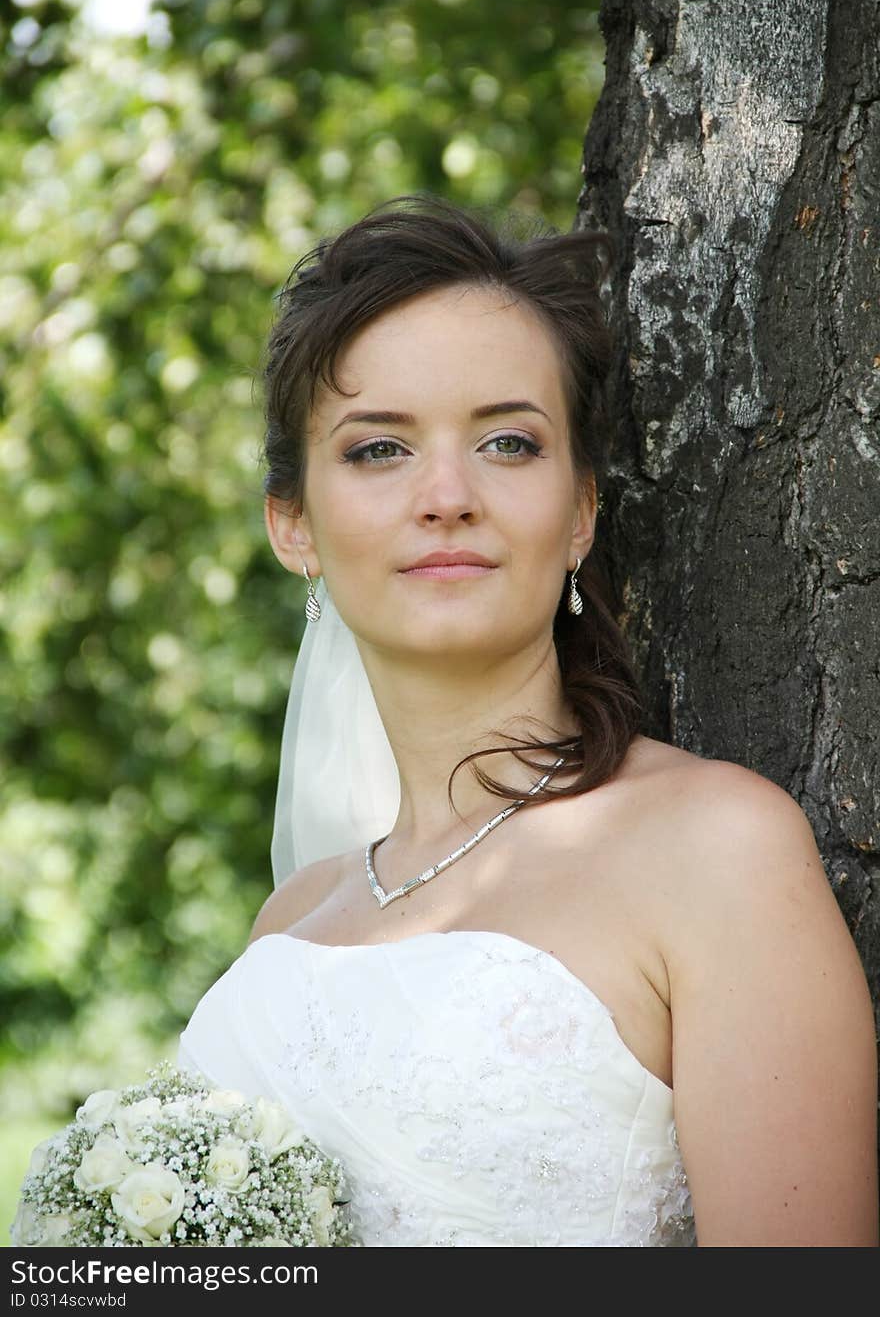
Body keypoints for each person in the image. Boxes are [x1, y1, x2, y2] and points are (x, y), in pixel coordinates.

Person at [178, 193, 878, 1247]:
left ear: (581, 512)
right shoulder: (291, 921)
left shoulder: (715, 848)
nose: (447, 493)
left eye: (507, 442)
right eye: (378, 450)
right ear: (293, 526)